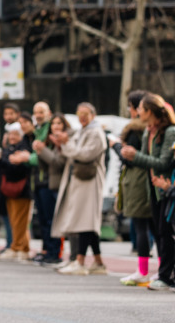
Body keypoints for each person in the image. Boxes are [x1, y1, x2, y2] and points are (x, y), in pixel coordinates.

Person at [120, 93, 175, 290]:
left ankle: (166, 276)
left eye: (140, 108)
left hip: (167, 188)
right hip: (153, 188)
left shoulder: (169, 132)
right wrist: (130, 155)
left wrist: (135, 156)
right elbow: (144, 159)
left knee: (165, 232)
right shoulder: (148, 131)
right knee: (161, 232)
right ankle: (164, 274)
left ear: (149, 111)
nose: (136, 112)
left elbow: (163, 162)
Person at [53, 102, 108, 276]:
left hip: (89, 181)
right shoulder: (83, 130)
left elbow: (84, 154)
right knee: (87, 222)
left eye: (86, 113)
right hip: (80, 181)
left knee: (85, 221)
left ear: (93, 115)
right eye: (79, 113)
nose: (82, 117)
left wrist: (66, 144)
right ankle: (98, 262)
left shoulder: (96, 133)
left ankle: (80, 261)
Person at [115, 91, 153, 285]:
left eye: (132, 106)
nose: (130, 110)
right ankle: (162, 270)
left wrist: (115, 146)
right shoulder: (153, 129)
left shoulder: (136, 130)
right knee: (157, 228)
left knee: (142, 226)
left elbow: (128, 159)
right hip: (150, 180)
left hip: (138, 181)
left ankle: (144, 271)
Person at [31, 113, 70, 266]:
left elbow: (57, 162)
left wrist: (42, 151)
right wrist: (40, 150)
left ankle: (56, 253)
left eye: (59, 123)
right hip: (44, 183)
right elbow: (43, 164)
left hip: (56, 185)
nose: (56, 126)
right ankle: (48, 251)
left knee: (55, 221)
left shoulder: (64, 142)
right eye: (54, 124)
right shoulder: (49, 140)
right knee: (45, 220)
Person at [0, 122, 32, 261]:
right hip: (10, 188)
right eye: (10, 134)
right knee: (14, 220)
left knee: (21, 221)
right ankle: (17, 246)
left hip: (22, 188)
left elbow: (18, 168)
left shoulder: (24, 147)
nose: (12, 137)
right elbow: (5, 163)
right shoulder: (9, 148)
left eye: (16, 134)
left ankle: (21, 248)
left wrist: (12, 160)